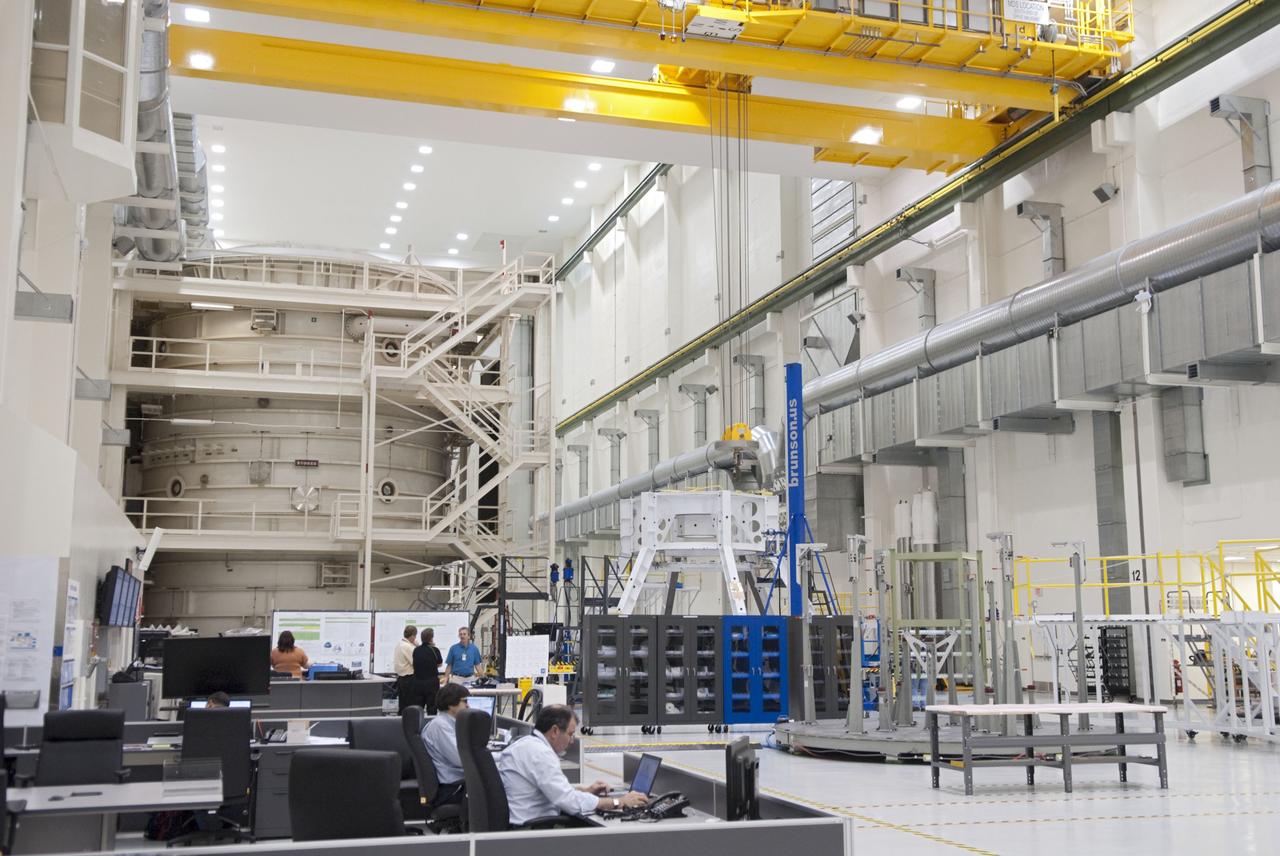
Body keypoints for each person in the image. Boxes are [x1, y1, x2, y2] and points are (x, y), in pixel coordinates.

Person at [497, 705, 646, 826]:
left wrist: (586, 790)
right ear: (555, 731)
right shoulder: (540, 754)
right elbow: (569, 802)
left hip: (522, 824)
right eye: (570, 733)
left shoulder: (525, 744)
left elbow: (548, 789)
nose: (572, 740)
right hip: (533, 831)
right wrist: (619, 802)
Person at [420, 683, 469, 807]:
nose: (468, 705)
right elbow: (461, 759)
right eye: (465, 701)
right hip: (452, 788)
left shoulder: (448, 724)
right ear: (451, 704)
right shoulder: (440, 726)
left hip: (457, 784)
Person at [407, 627, 443, 714]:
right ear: (431, 638)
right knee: (432, 707)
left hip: (418, 682)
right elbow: (439, 663)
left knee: (418, 708)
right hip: (431, 683)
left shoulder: (416, 650)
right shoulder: (435, 650)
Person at [395, 625, 418, 713]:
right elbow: (415, 662)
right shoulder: (409, 647)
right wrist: (417, 646)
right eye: (415, 636)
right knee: (410, 705)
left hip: (401, 678)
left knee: (402, 704)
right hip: (409, 679)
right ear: (412, 636)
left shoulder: (399, 644)